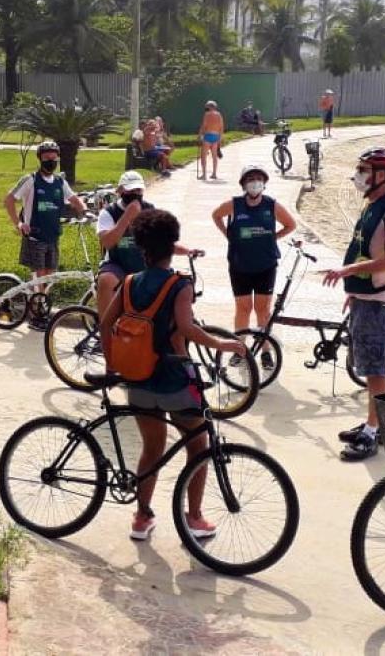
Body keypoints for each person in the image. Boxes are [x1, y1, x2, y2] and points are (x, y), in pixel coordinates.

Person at [97, 209, 247, 540]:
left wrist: (113, 365)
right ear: (172, 244)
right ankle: (194, 517)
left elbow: (105, 324)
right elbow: (187, 328)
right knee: (198, 444)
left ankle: (141, 516)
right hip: (174, 380)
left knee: (151, 448)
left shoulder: (129, 283)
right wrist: (222, 344)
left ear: (142, 248)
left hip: (138, 379)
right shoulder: (180, 284)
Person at [322, 147, 385, 461]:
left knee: (375, 369)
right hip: (364, 297)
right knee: (369, 367)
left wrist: (350, 271)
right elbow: (365, 247)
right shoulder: (371, 206)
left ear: (381, 175)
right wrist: (354, 289)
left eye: (364, 170)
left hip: (379, 300)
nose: (358, 175)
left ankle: (376, 431)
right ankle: (374, 422)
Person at [211, 164, 296, 370]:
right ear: (244, 184)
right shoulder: (234, 204)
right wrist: (228, 234)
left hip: (265, 265)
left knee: (263, 310)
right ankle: (240, 349)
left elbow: (291, 225)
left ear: (264, 183)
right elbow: (216, 215)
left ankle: (266, 350)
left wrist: (272, 238)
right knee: (243, 308)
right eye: (250, 179)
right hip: (239, 264)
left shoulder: (271, 205)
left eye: (259, 179)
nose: (255, 183)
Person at [3, 141, 88, 329]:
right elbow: (9, 200)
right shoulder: (30, 180)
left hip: (53, 236)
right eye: (46, 157)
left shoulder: (60, 182)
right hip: (35, 237)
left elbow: (74, 199)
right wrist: (18, 223)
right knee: (40, 277)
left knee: (48, 278)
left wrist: (84, 209)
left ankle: (42, 310)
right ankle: (36, 317)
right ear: (40, 158)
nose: (50, 160)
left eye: (53, 157)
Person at [96, 171, 196, 318]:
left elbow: (162, 241)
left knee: (173, 286)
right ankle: (106, 328)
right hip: (117, 263)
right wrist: (127, 217)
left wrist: (188, 251)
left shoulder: (149, 209)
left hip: (144, 265)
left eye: (138, 190)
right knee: (106, 280)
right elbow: (108, 242)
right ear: (121, 191)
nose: (135, 194)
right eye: (131, 190)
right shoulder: (109, 213)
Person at [198, 100, 224, 180]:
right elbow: (221, 127)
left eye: (207, 106)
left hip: (208, 135)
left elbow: (204, 125)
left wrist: (200, 134)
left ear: (209, 106)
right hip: (216, 136)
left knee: (203, 156)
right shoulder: (219, 115)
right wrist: (220, 137)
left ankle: (204, 175)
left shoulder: (207, 114)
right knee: (214, 156)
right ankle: (214, 174)